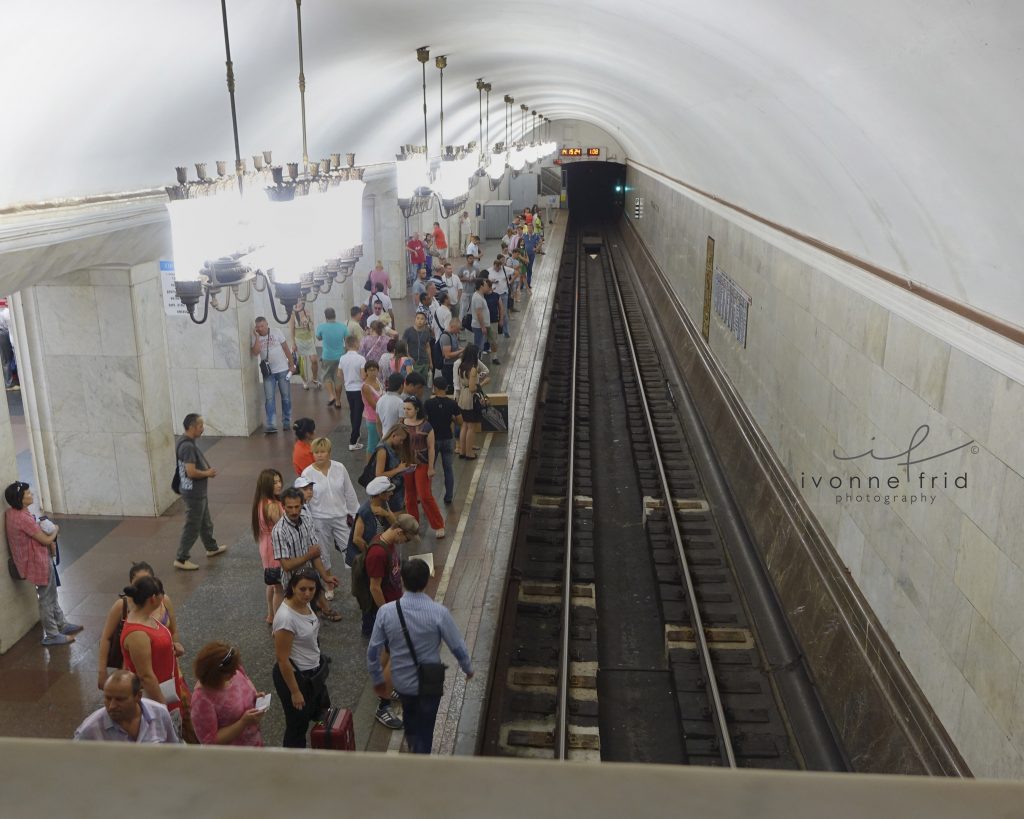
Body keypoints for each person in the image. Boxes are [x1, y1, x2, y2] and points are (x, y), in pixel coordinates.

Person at [368, 558, 473, 753]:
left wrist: (377, 678)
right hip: (430, 681)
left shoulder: (386, 612)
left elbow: (373, 650)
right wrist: (468, 668)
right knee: (427, 725)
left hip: (403, 681)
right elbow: (457, 645)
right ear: (426, 581)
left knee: (410, 717)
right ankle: (421, 754)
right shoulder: (439, 612)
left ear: (402, 580)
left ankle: (414, 746)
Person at [360, 514, 421, 728]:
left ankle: (384, 685)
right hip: (388, 612)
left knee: (389, 651)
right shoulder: (378, 552)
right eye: (406, 538)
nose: (405, 542)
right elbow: (374, 587)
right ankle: (383, 706)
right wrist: (388, 613)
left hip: (394, 607)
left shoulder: (388, 543)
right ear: (399, 531)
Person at [4, 481, 82, 646]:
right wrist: (55, 530)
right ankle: (52, 635)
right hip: (37, 562)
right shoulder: (23, 518)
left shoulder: (12, 513)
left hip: (31, 560)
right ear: (20, 498)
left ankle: (62, 624)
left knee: (51, 594)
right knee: (47, 597)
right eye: (28, 493)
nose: (31, 494)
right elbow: (45, 539)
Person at [120, 575, 189, 734]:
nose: (164, 596)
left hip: (167, 688)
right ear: (153, 598)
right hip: (157, 698)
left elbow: (156, 646)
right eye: (161, 593)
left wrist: (173, 648)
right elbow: (145, 676)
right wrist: (162, 707)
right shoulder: (137, 634)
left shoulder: (147, 617)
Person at [98, 561, 182, 690]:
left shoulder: (163, 600)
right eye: (139, 582)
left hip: (165, 666)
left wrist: (176, 655)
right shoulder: (122, 605)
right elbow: (106, 637)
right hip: (134, 671)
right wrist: (102, 672)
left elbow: (173, 631)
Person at [273, 568, 331, 747]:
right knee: (297, 726)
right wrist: (295, 691)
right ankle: (294, 760)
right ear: (292, 587)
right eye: (302, 589)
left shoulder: (306, 603)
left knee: (319, 713)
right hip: (296, 677)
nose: (307, 594)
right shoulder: (285, 619)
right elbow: (282, 660)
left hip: (312, 672)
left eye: (311, 589)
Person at [174, 413, 226, 570]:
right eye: (200, 426)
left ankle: (211, 547)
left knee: (205, 522)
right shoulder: (188, 447)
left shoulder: (183, 440)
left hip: (196, 492)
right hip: (194, 493)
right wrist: (207, 473)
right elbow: (190, 472)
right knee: (192, 526)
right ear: (192, 427)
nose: (203, 429)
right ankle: (181, 558)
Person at [190, 641, 266, 746]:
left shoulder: (235, 670)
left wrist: (255, 698)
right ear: (214, 674)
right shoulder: (202, 699)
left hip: (254, 744)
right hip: (234, 753)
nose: (235, 673)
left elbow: (244, 689)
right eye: (230, 672)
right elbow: (210, 741)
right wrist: (243, 723)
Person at [300, 437, 360, 567]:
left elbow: (349, 493)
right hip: (319, 520)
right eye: (316, 452)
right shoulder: (307, 473)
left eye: (322, 451)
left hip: (341, 517)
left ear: (329, 452)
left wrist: (355, 515)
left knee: (351, 553)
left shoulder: (340, 468)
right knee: (323, 556)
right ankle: (327, 580)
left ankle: (355, 578)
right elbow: (304, 501)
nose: (319, 455)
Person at [74, 670, 180, 744]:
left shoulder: (160, 713)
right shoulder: (90, 729)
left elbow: (173, 751)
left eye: (120, 699)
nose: (112, 706)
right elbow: (74, 763)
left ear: (138, 696)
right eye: (108, 698)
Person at [401, 395, 444, 538]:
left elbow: (431, 448)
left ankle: (438, 524)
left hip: (422, 464)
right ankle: (413, 527)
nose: (406, 411)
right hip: (406, 464)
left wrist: (431, 467)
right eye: (404, 408)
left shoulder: (427, 426)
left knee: (425, 495)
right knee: (409, 497)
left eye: (409, 409)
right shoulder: (401, 424)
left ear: (417, 409)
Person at [251, 315, 295, 434]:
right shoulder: (256, 337)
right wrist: (257, 337)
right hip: (268, 373)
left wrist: (291, 365)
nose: (260, 328)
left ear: (267, 324)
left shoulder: (276, 332)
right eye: (258, 327)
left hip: (282, 369)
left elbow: (286, 348)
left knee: (286, 397)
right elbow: (255, 352)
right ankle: (271, 424)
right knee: (269, 398)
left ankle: (286, 422)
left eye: (262, 326)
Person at [251, 469, 285, 624]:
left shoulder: (261, 502)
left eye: (279, 481)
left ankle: (271, 615)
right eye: (274, 482)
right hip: (274, 547)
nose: (279, 485)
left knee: (271, 582)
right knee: (278, 587)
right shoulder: (272, 506)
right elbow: (283, 526)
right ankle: (278, 621)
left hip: (266, 545)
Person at [425, 377, 461, 505]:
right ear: (446, 388)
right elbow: (460, 421)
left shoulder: (428, 403)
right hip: (448, 438)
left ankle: (428, 495)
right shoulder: (452, 403)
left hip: (432, 441)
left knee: (430, 468)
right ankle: (449, 496)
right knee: (448, 469)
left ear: (434, 387)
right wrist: (451, 419)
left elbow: (425, 421)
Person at [455, 345, 489, 459]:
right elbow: (472, 388)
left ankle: (462, 451)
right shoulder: (473, 369)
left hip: (462, 398)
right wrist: (483, 383)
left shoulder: (461, 366)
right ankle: (469, 453)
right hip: (470, 399)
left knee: (464, 424)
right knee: (471, 427)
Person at [374, 423, 411, 513]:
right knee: (396, 517)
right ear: (393, 435)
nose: (402, 443)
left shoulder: (394, 447)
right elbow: (379, 474)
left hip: (397, 490)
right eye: (401, 440)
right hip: (390, 493)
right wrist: (399, 469)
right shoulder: (382, 450)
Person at [315, 307, 347, 408]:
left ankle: (331, 395)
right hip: (340, 357)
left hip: (327, 356)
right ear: (335, 315)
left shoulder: (321, 327)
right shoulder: (343, 327)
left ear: (325, 316)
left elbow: (318, 337)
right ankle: (338, 401)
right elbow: (347, 340)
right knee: (338, 379)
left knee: (327, 377)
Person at [340, 335, 367, 449]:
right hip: (359, 389)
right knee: (358, 413)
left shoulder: (342, 358)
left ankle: (355, 433)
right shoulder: (361, 359)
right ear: (356, 344)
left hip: (348, 389)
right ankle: (353, 440)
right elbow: (363, 376)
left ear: (346, 345)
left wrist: (347, 379)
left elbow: (339, 374)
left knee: (353, 411)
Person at [290, 302, 320, 391]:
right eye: (298, 303)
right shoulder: (292, 314)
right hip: (299, 340)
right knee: (301, 363)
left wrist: (309, 319)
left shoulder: (307, 312)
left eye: (301, 303)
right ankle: (304, 381)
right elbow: (291, 330)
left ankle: (314, 378)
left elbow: (311, 327)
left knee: (314, 360)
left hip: (309, 339)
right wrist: (293, 343)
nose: (299, 305)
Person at [403, 311, 433, 382]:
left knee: (423, 382)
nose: (420, 320)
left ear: (425, 321)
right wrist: (408, 356)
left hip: (424, 362)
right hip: (412, 362)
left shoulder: (427, 332)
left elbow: (428, 347)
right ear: (415, 319)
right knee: (414, 382)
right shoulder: (408, 331)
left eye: (422, 319)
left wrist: (430, 362)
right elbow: (404, 346)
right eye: (418, 318)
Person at [361, 359, 384, 455]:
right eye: (370, 370)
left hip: (381, 417)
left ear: (378, 370)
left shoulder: (378, 381)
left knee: (380, 444)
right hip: (373, 419)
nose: (372, 372)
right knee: (372, 446)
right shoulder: (366, 387)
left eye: (374, 369)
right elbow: (374, 405)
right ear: (366, 371)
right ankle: (369, 464)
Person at [376, 372, 406, 437]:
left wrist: (381, 436)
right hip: (395, 437)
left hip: (384, 435)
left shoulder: (380, 400)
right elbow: (401, 422)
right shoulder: (400, 402)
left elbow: (378, 421)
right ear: (401, 386)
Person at [437, 316, 463, 392]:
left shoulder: (453, 334)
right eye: (457, 329)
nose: (458, 331)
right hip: (448, 367)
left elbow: (455, 347)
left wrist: (463, 349)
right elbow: (447, 355)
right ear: (452, 327)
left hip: (454, 364)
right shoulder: (446, 337)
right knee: (450, 387)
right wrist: (461, 351)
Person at [471, 278, 493, 359]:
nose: (487, 287)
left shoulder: (480, 295)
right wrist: (483, 326)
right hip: (478, 326)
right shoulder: (478, 298)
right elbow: (479, 313)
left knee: (480, 345)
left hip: (480, 326)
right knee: (478, 346)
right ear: (481, 286)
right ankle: (476, 361)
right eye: (485, 285)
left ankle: (478, 360)